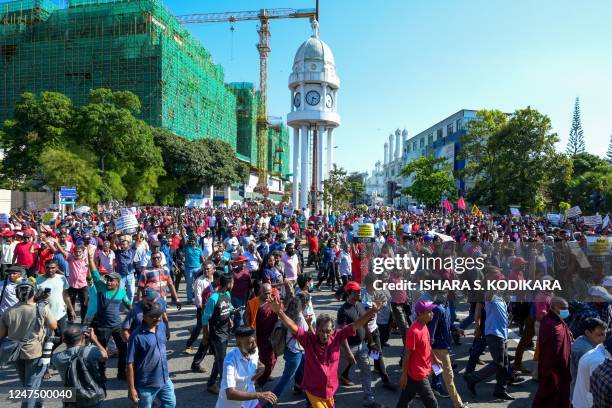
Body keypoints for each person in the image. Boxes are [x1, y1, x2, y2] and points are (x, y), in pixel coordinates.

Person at [268, 292, 385, 408]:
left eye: (328, 331)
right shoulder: (308, 340)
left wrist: (372, 311)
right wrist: (279, 312)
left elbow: (356, 324)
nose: (325, 335)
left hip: (330, 391)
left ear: (333, 330)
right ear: (317, 329)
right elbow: (293, 327)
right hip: (313, 391)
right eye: (322, 331)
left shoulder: (337, 337)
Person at [0, 278, 57, 408]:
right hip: (34, 352)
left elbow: (1, 334)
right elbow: (54, 325)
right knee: (32, 386)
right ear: (34, 293)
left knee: (26, 383)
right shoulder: (41, 309)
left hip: (14, 352)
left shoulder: (8, 312)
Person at [87, 249, 131, 380]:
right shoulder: (101, 288)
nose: (108, 282)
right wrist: (90, 259)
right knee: (101, 351)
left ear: (117, 282)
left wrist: (136, 316)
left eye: (112, 280)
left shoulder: (122, 292)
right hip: (102, 327)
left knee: (123, 349)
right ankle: (101, 372)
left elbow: (130, 306)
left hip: (117, 326)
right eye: (108, 280)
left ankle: (121, 372)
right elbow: (95, 273)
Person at [336, 281, 382, 408]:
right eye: (357, 291)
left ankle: (369, 399)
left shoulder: (360, 305)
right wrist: (349, 353)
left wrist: (371, 342)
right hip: (348, 348)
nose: (360, 293)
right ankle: (327, 394)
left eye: (360, 291)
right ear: (350, 293)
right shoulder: (343, 311)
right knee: (335, 373)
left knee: (366, 371)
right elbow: (342, 334)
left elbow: (365, 324)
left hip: (362, 346)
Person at [464, 287, 514, 400]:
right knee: (499, 363)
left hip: (503, 334)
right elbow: (486, 297)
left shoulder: (501, 299)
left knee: (505, 365)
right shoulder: (490, 296)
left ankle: (500, 390)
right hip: (494, 333)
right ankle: (472, 378)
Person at [127, 302, 176, 408]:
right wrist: (131, 388)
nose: (157, 318)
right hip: (146, 385)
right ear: (144, 317)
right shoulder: (136, 336)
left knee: (170, 404)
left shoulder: (161, 326)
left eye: (159, 315)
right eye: (153, 316)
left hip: (164, 379)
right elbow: (130, 363)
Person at [215, 326, 278, 408]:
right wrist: (260, 395)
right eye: (249, 342)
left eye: (254, 340)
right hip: (232, 405)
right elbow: (230, 393)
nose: (255, 345)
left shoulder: (253, 350)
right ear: (238, 343)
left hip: (251, 402)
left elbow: (256, 359)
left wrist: (261, 366)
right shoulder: (230, 361)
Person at [396, 300, 442, 408]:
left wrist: (435, 359)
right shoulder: (414, 331)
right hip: (418, 374)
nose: (432, 314)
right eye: (429, 312)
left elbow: (427, 346)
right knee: (432, 403)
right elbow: (407, 354)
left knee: (405, 400)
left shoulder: (424, 325)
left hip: (421, 371)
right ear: (420, 314)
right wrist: (403, 375)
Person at [51, 324, 108, 408]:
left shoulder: (57, 358)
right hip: (94, 394)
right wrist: (94, 340)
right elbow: (105, 355)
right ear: (82, 337)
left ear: (64, 340)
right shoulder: (91, 351)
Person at [532, 296, 573, 408]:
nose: (566, 311)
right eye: (563, 308)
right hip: (553, 372)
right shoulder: (551, 325)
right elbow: (549, 355)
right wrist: (551, 374)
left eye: (567, 308)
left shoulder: (557, 320)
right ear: (554, 308)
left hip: (563, 370)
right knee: (548, 400)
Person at [203, 273, 235, 394]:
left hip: (226, 331)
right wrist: (206, 337)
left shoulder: (227, 294)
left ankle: (211, 383)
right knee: (222, 361)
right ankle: (225, 388)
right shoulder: (213, 298)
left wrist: (231, 316)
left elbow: (228, 306)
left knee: (219, 359)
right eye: (232, 282)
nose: (233, 284)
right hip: (217, 335)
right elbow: (205, 319)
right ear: (228, 284)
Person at [569, 317, 607, 399]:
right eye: (600, 335)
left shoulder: (585, 339)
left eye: (605, 334)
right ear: (587, 332)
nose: (604, 338)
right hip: (583, 395)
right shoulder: (586, 350)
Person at [572, 337, 612, 408]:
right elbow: (594, 394)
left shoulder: (596, 352)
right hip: (585, 403)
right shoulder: (598, 360)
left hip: (580, 399)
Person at [55, 243, 89, 322]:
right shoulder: (70, 258)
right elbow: (62, 251)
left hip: (83, 285)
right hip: (72, 285)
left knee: (84, 304)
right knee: (70, 302)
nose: (77, 253)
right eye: (76, 252)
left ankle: (83, 320)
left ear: (83, 252)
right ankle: (71, 319)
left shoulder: (86, 260)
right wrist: (57, 242)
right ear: (73, 252)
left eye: (79, 252)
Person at [184, 237, 205, 304]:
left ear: (196, 242)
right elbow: (183, 239)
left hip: (197, 268)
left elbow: (202, 259)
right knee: (189, 284)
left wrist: (205, 265)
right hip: (188, 268)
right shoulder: (187, 248)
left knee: (198, 284)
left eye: (193, 241)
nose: (191, 242)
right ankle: (189, 299)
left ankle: (198, 298)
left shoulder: (199, 250)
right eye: (190, 241)